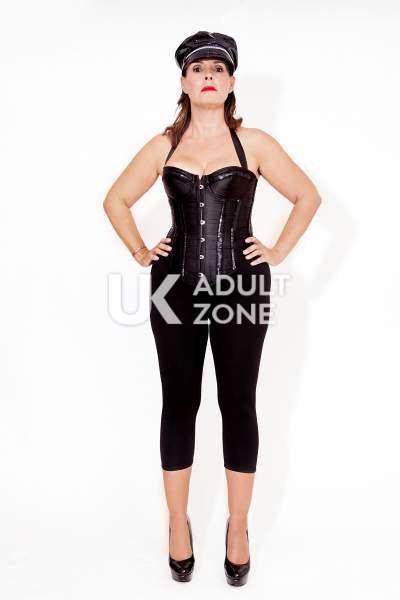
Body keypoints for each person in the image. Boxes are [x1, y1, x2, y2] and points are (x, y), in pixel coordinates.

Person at [103, 30, 321, 586]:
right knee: (179, 402)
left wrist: (277, 251)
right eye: (198, 68)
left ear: (230, 83)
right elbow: (115, 199)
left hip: (242, 290)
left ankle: (238, 527)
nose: (207, 76)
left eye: (218, 69)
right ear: (183, 81)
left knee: (238, 402)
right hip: (172, 290)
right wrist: (140, 251)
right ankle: (177, 523)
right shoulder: (163, 146)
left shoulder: (255, 143)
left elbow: (307, 196)